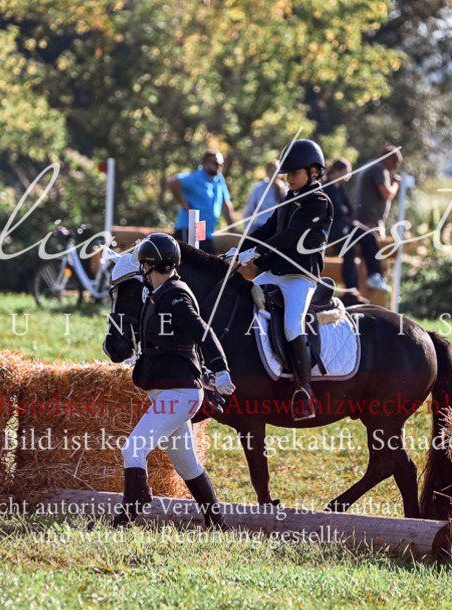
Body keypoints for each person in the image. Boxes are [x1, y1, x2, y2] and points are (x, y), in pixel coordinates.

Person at [115, 233, 236, 529]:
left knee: (133, 449)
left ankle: (131, 511)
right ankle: (218, 523)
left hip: (178, 393)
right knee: (186, 465)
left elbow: (203, 333)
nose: (142, 271)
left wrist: (220, 369)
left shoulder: (175, 296)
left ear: (149, 266)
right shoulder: (160, 295)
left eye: (143, 266)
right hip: (171, 391)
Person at [240, 139, 333, 420]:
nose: (289, 178)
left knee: (293, 324)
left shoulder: (319, 203)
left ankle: (304, 391)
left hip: (299, 276)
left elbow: (289, 237)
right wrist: (240, 247)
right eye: (287, 173)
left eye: (294, 173)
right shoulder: (287, 199)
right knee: (239, 302)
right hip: (274, 273)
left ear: (314, 171)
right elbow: (267, 229)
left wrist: (255, 252)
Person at [353, 145, 404, 293]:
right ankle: (367, 291)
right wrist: (396, 184)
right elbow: (386, 193)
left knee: (364, 258)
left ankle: (359, 292)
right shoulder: (379, 169)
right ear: (389, 159)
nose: (394, 168)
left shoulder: (369, 167)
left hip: (363, 217)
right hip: (370, 220)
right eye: (395, 163)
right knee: (371, 255)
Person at [166, 150, 235, 253]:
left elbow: (226, 204)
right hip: (189, 228)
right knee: (188, 265)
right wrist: (184, 204)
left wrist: (232, 227)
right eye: (216, 163)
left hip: (204, 231)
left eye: (222, 164)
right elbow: (172, 182)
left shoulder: (219, 179)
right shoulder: (196, 177)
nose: (219, 166)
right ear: (205, 163)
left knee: (207, 264)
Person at [323, 158, 359, 292]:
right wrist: (342, 210)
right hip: (331, 229)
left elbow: (349, 210)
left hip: (342, 226)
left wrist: (343, 210)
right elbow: (336, 211)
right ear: (338, 171)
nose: (348, 175)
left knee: (365, 237)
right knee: (349, 251)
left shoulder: (340, 189)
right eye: (346, 172)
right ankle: (351, 289)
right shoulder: (326, 187)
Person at [243, 159, 286, 231]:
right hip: (261, 228)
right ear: (267, 172)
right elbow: (248, 212)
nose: (274, 174)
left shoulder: (285, 189)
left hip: (278, 230)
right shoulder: (258, 188)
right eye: (272, 171)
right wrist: (250, 230)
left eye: (277, 171)